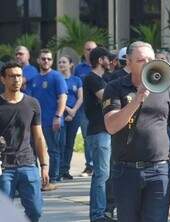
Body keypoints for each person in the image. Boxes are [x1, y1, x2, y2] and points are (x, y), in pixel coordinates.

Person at [103, 41, 170, 222]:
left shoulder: (166, 89)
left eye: (151, 59)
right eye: (141, 60)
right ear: (128, 62)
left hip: (158, 170)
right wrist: (137, 99)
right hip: (125, 171)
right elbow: (111, 126)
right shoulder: (114, 88)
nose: (148, 64)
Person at [0, 62, 49, 222]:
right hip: (3, 167)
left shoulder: (32, 103)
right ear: (3, 79)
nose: (16, 79)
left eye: (19, 76)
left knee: (36, 211)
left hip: (28, 164)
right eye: (12, 76)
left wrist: (44, 165)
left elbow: (39, 137)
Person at [29, 48, 68, 189]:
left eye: (49, 59)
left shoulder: (57, 77)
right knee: (33, 151)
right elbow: (29, 100)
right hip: (35, 123)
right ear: (38, 60)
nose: (46, 61)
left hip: (52, 120)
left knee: (53, 150)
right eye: (43, 58)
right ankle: (36, 180)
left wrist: (58, 116)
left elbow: (63, 97)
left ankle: (53, 179)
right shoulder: (34, 79)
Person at [83, 47, 112, 222]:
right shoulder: (92, 79)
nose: (110, 62)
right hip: (99, 132)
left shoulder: (100, 79)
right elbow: (106, 98)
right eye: (108, 59)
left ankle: (99, 212)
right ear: (101, 60)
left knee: (102, 174)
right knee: (102, 174)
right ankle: (98, 214)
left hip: (103, 131)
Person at [74, 41, 97, 177]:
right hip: (84, 109)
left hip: (98, 108)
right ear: (84, 51)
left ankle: (98, 163)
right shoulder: (79, 69)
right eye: (88, 49)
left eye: (93, 49)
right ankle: (89, 166)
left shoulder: (100, 66)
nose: (90, 52)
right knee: (87, 137)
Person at [58, 55, 83, 180]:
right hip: (60, 114)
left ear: (71, 64)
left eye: (64, 62)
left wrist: (73, 111)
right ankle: (58, 169)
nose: (61, 64)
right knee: (60, 143)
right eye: (60, 62)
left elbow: (80, 97)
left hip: (75, 115)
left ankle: (65, 169)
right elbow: (57, 97)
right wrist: (68, 110)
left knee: (69, 143)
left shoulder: (77, 80)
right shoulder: (57, 79)